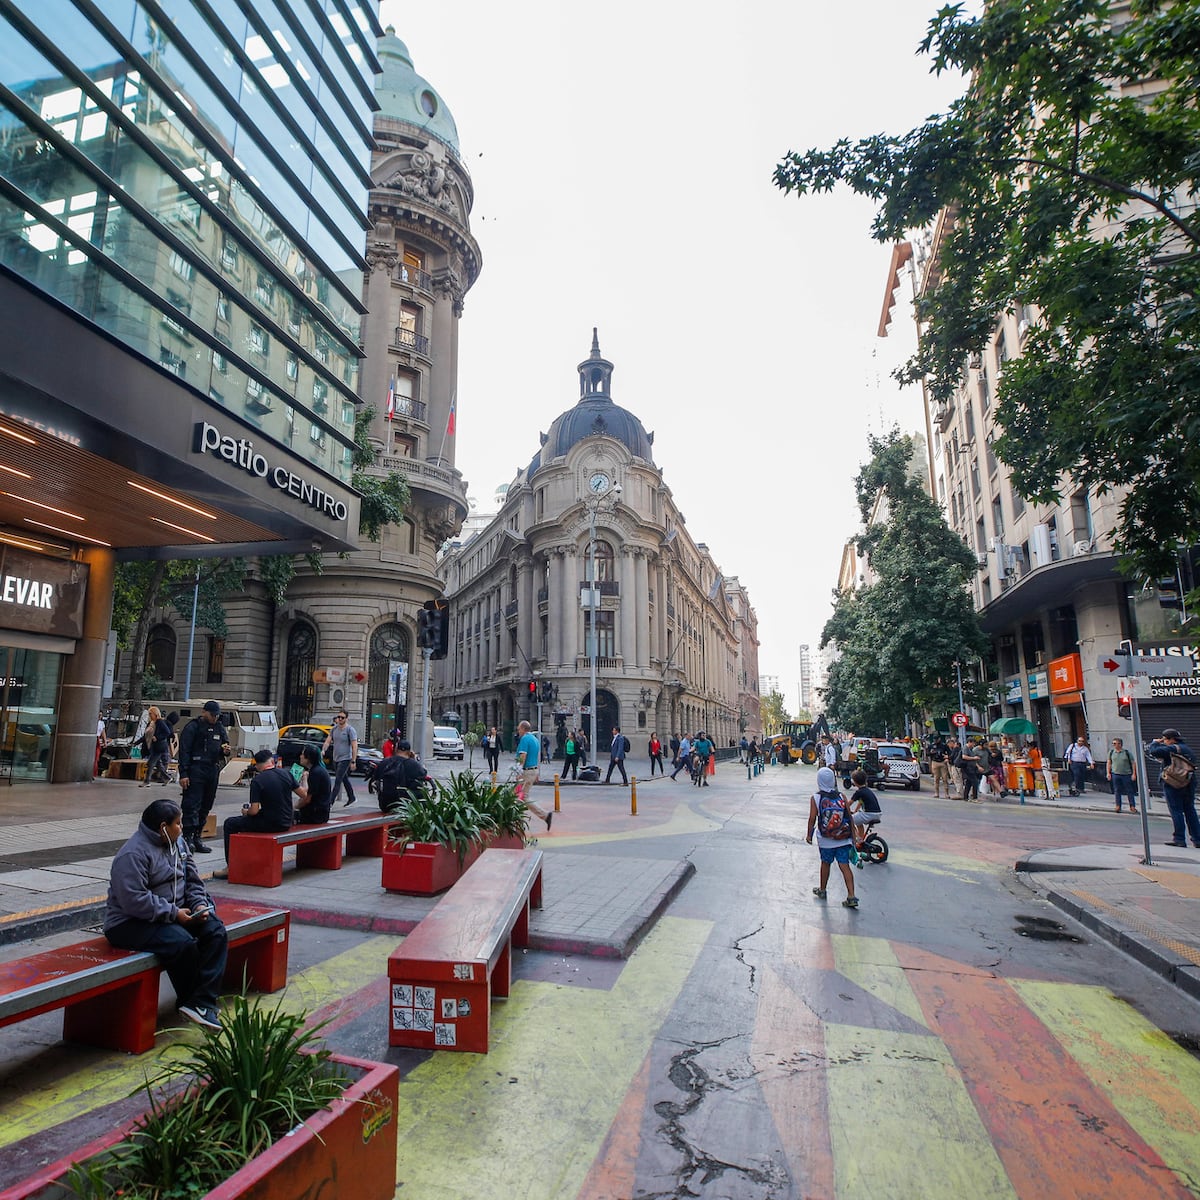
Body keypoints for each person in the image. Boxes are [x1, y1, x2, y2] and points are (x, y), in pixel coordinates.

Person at [104, 798, 228, 1030]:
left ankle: (201, 1003)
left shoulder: (178, 842)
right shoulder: (132, 854)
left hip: (175, 912)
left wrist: (199, 905)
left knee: (215, 931)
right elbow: (134, 901)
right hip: (129, 923)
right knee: (183, 944)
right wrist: (174, 914)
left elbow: (192, 878)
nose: (182, 828)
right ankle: (194, 1001)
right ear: (163, 827)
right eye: (178, 823)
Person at [217, 748, 300, 868]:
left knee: (230, 823)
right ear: (272, 761)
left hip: (270, 824)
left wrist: (246, 812)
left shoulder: (258, 780)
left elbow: (254, 811)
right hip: (287, 821)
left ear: (257, 765)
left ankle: (231, 866)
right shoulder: (286, 774)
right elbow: (303, 794)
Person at [177, 701, 231, 854]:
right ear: (204, 712)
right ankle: (187, 837)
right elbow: (184, 751)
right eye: (212, 715)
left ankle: (197, 836)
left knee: (207, 804)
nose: (214, 718)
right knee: (192, 803)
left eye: (217, 715)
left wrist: (226, 751)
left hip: (212, 769)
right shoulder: (193, 727)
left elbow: (225, 745)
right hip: (196, 768)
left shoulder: (219, 727)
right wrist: (184, 773)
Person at [806, 766, 858, 908]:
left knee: (825, 863)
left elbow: (812, 818)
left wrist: (809, 835)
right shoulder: (842, 796)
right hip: (843, 838)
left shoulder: (816, 798)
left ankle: (822, 890)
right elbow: (849, 816)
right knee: (845, 866)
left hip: (825, 840)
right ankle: (851, 895)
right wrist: (853, 836)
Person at [1147, 728, 1200, 848]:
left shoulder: (1172, 748)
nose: (1164, 742)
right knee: (1190, 810)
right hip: (1189, 782)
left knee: (1176, 811)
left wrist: (1155, 742)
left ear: (1171, 739)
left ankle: (1179, 838)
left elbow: (1154, 751)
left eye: (1165, 739)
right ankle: (1197, 838)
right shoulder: (1187, 749)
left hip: (1173, 783)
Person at [515, 720, 553, 829]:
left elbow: (523, 756)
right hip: (533, 770)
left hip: (525, 772)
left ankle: (519, 822)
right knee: (522, 796)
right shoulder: (534, 739)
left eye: (519, 729)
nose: (518, 731)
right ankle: (544, 816)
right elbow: (536, 756)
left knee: (519, 797)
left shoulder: (525, 739)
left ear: (523, 729)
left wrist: (518, 771)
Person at [373, 740, 431, 811]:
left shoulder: (384, 762)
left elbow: (376, 778)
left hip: (386, 805)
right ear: (409, 752)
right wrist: (413, 759)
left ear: (396, 749)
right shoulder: (413, 764)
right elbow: (423, 774)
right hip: (407, 805)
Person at [321, 710, 359, 807]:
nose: (340, 719)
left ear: (346, 719)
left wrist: (353, 761)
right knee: (344, 778)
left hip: (346, 758)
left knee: (338, 779)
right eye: (339, 717)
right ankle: (351, 797)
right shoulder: (334, 729)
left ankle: (330, 802)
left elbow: (355, 746)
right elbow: (328, 741)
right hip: (336, 758)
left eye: (342, 717)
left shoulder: (350, 730)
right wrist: (324, 749)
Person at [294, 744, 332, 824]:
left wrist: (294, 807)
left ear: (308, 758)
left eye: (302, 754)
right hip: (320, 812)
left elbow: (307, 799)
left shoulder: (315, 773)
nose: (300, 756)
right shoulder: (317, 770)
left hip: (315, 815)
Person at [847, 767, 882, 850]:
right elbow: (860, 802)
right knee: (858, 822)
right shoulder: (866, 790)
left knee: (849, 821)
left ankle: (858, 840)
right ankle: (861, 840)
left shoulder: (858, 792)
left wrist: (841, 808)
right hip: (877, 813)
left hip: (869, 814)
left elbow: (849, 803)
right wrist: (855, 812)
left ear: (855, 782)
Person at [140, 705, 173, 787]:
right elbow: (146, 735)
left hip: (159, 747)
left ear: (155, 714)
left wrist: (157, 737)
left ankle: (147, 781)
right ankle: (167, 777)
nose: (149, 715)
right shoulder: (151, 723)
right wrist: (137, 742)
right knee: (158, 764)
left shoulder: (160, 722)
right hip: (152, 746)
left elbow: (167, 732)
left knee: (150, 763)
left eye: (151, 713)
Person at [1106, 737, 1138, 814]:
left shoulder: (1126, 753)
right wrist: (1108, 773)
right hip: (1115, 774)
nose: (1114, 745)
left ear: (1120, 744)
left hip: (1126, 774)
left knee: (1129, 790)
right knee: (1117, 790)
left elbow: (1133, 763)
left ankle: (1132, 806)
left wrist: (1134, 774)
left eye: (1115, 743)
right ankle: (1118, 806)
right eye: (1113, 743)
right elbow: (1109, 763)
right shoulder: (1111, 752)